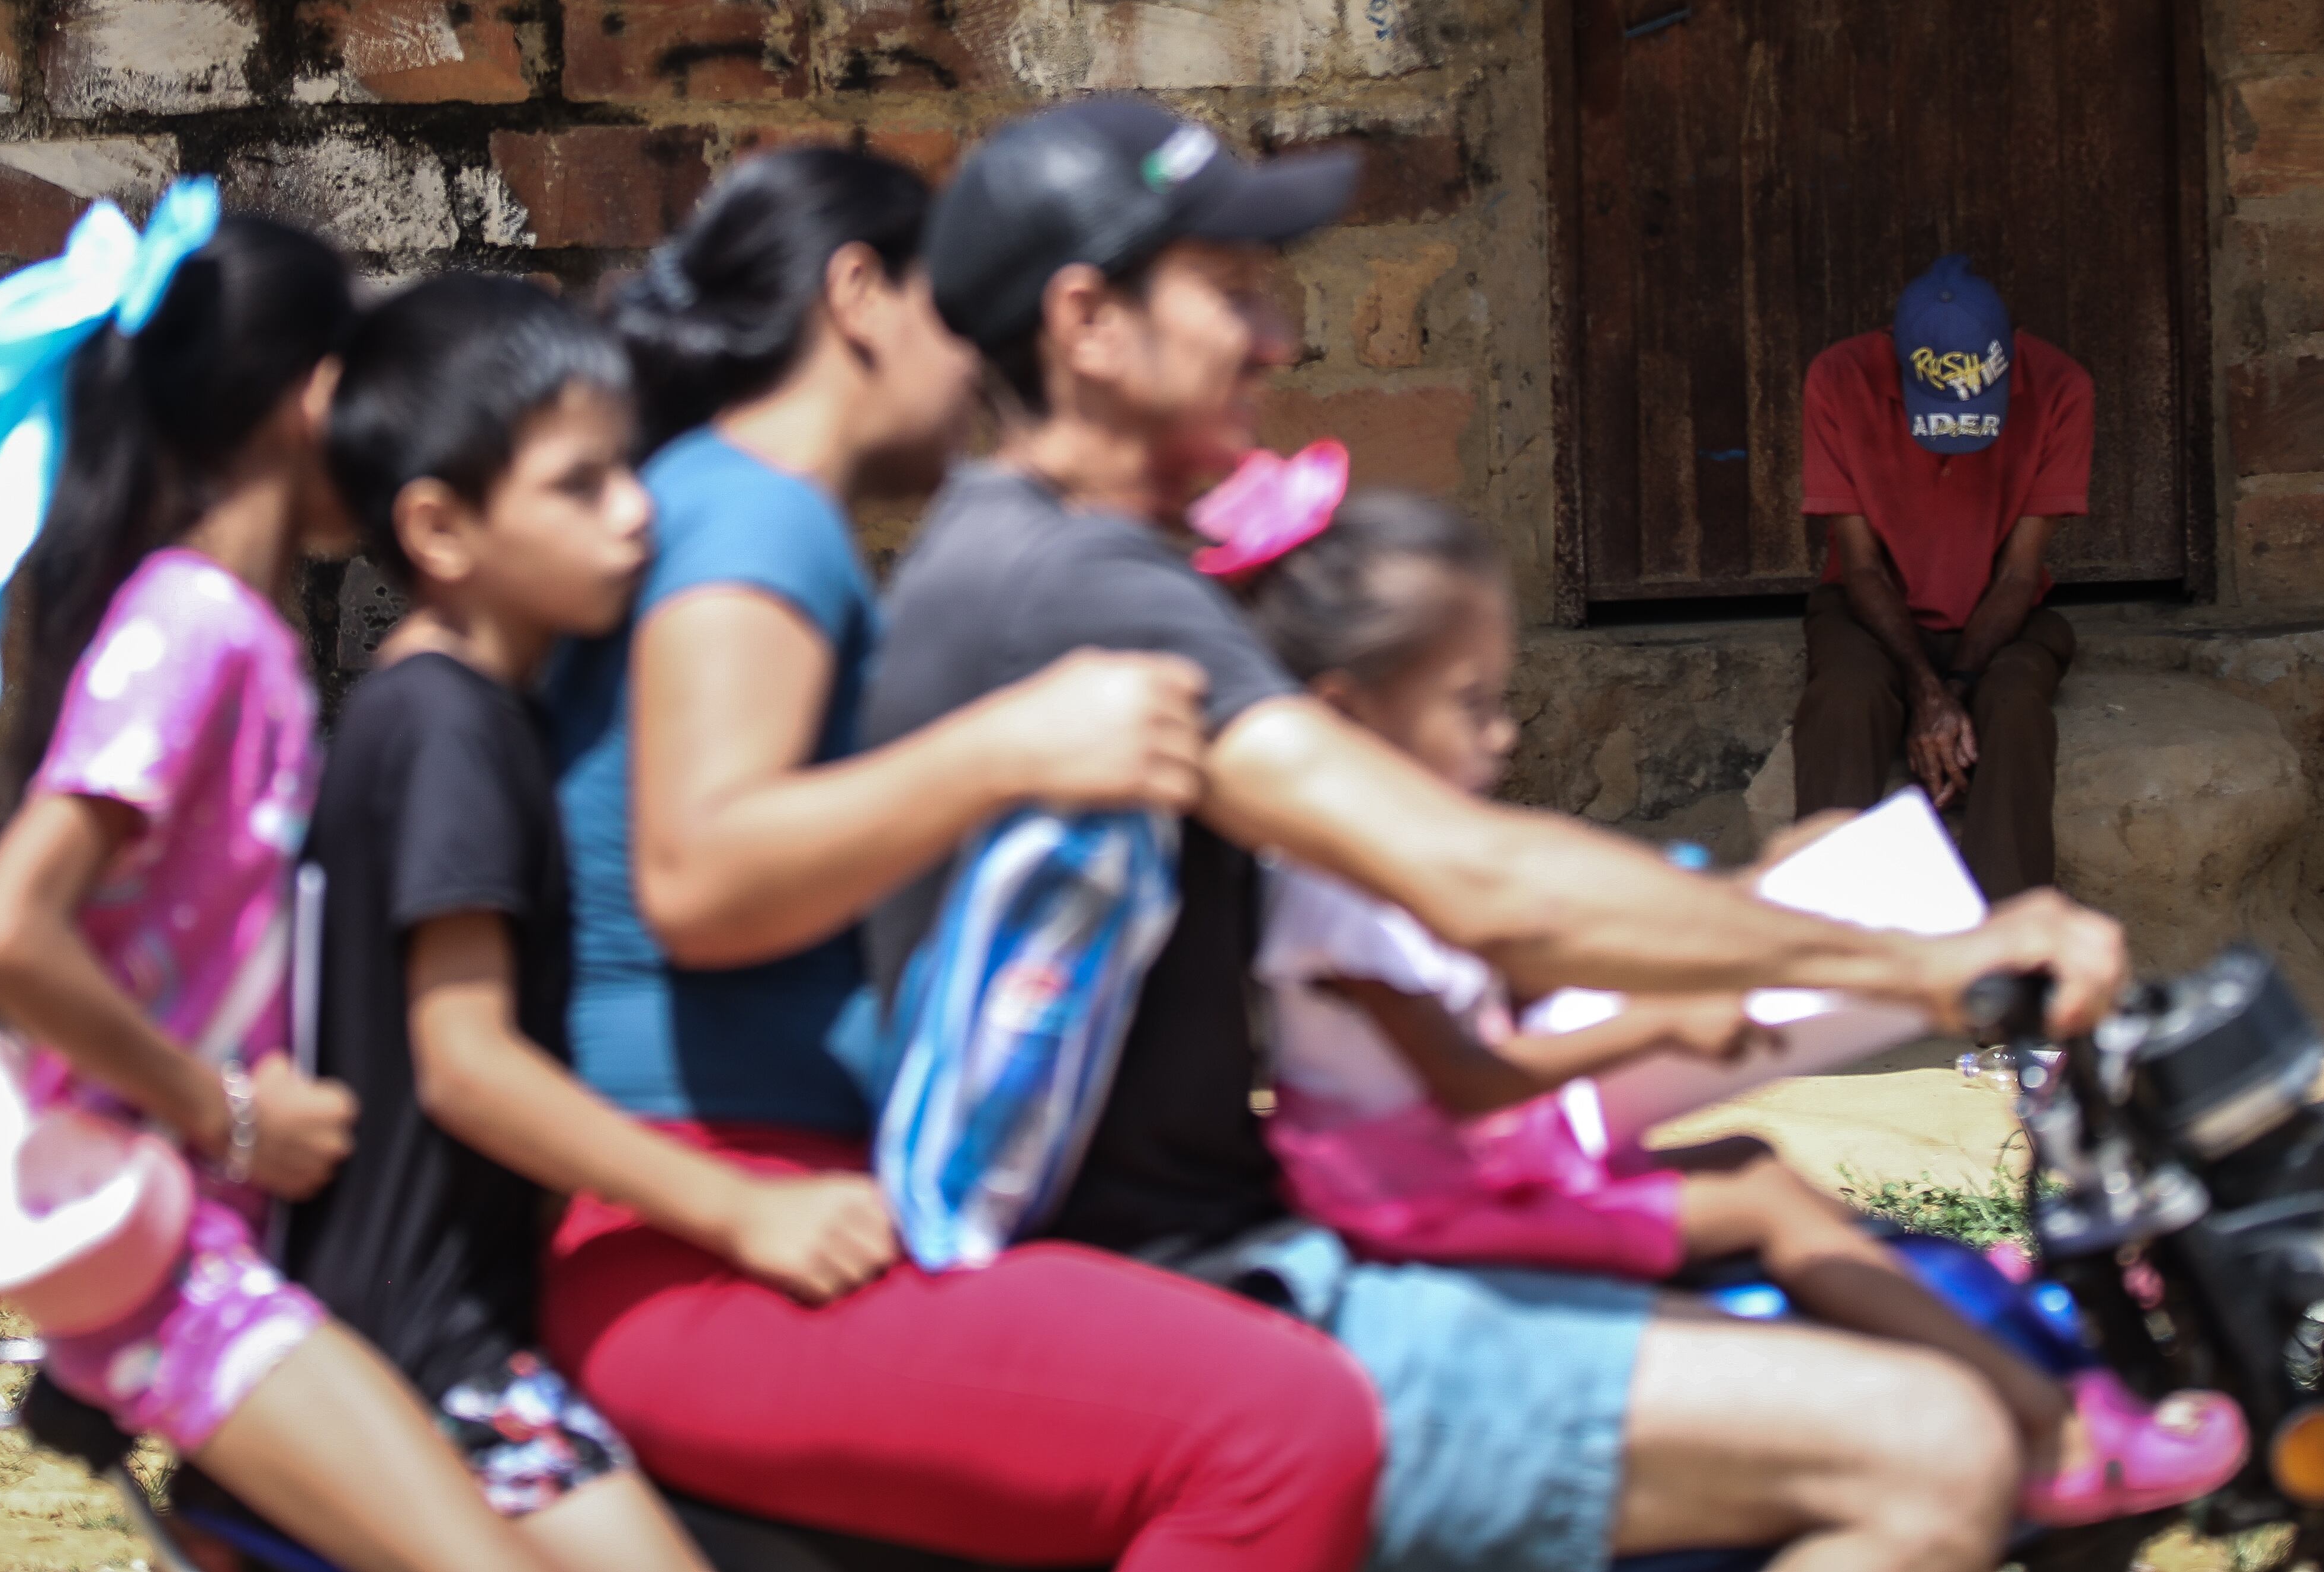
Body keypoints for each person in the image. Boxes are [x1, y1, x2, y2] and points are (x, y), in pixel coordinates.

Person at [860, 97, 2134, 1572]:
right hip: (1195, 1289)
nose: (1276, 337)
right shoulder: (1082, 588)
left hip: (1220, 1238)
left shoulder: (1044, 564)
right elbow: (1471, 878)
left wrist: (1743, 919)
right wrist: (1926, 961)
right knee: (1935, 1446)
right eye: (1231, 291)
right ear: (1086, 321)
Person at [536, 146, 1385, 1570]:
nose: (980, 371)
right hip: (701, 1209)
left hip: (763, 1189)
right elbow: (700, 873)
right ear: (861, 295)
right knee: (1280, 1422)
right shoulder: (755, 513)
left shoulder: (732, 504)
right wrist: (1007, 746)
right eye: (956, 314)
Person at [1227, 481, 2245, 1529]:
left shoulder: (1393, 855)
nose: (1501, 732)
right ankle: (2055, 1430)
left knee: (1746, 1171)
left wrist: (1754, 893)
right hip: (1431, 1190)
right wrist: (1661, 1023)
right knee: (1758, 1187)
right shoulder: (1335, 893)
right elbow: (1468, 1073)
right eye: (1468, 702)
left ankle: (1967, 1318)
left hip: (1448, 1161)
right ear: (1349, 712)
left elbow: (1533, 959)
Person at [0, 204, 567, 1572]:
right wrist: (229, 1112)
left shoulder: (241, 632)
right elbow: (1, 929)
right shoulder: (194, 626)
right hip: (176, 1262)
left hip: (213, 1243)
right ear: (310, 395)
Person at [287, 273, 744, 1572]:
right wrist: (737, 1208)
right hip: (432, 1349)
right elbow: (469, 1062)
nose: (636, 511)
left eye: (630, 469)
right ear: (438, 524)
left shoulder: (429, 698)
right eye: (581, 485)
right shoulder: (452, 727)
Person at [1793, 253, 2094, 898]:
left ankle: (2003, 950)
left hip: (2002, 613)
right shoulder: (1838, 378)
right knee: (1845, 699)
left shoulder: (2061, 387)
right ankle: (1822, 935)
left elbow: (2018, 574)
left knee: (2013, 708)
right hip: (1867, 606)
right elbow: (1862, 564)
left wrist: (1954, 688)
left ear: (2005, 361)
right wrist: (1924, 690)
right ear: (1899, 362)